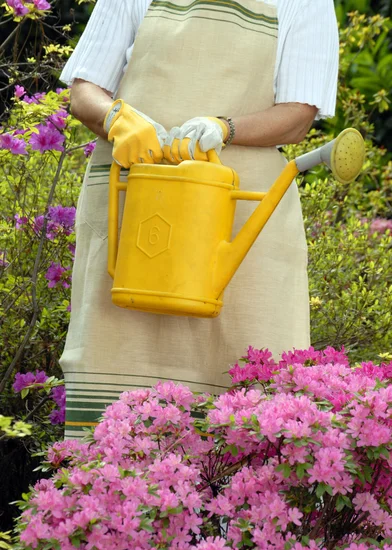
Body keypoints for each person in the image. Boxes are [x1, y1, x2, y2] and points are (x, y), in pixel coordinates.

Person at [60, 0, 339, 439]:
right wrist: (117, 118)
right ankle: (106, 495)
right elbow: (85, 90)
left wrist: (224, 128)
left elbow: (298, 115)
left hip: (238, 207)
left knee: (245, 376)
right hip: (131, 199)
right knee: (114, 354)